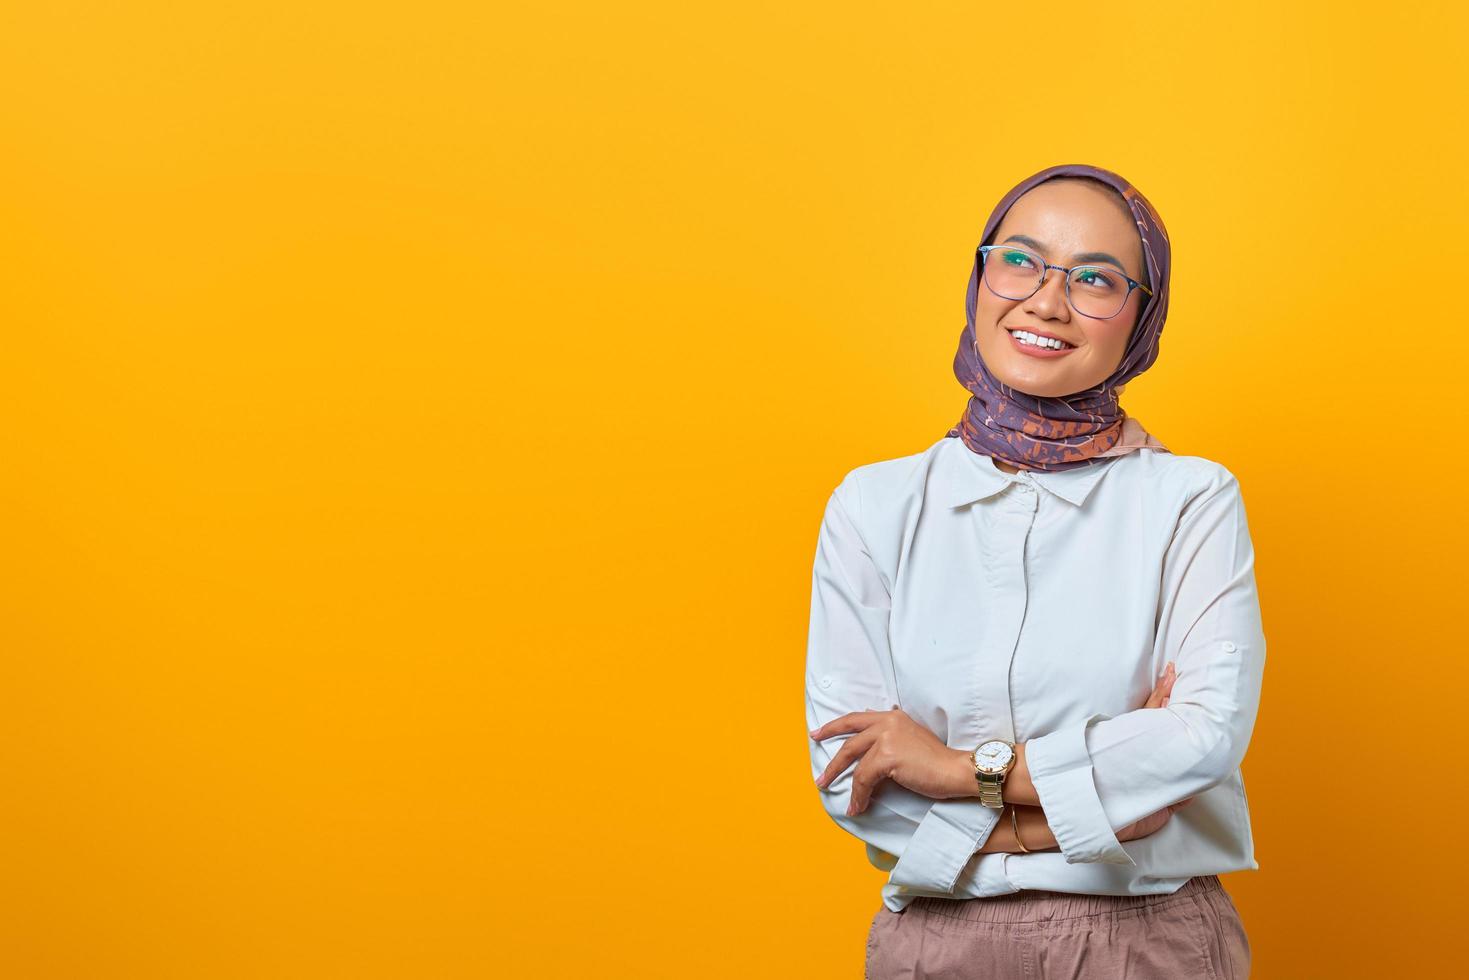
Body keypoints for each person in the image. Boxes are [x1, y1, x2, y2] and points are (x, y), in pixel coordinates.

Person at [804, 163, 1263, 978]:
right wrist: (1101, 814)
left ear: (1140, 320)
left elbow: (1198, 742)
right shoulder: (873, 506)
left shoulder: (1189, 500)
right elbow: (849, 781)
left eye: (1095, 279)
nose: (1047, 302)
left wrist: (954, 770)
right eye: (1018, 260)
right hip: (934, 949)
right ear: (979, 277)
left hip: (1147, 943)